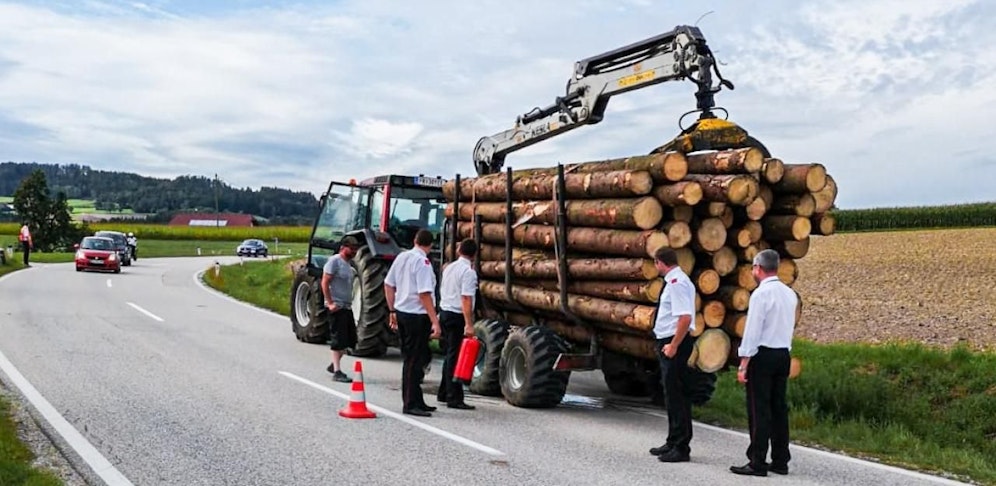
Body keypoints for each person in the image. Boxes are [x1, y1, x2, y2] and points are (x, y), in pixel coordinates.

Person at [730, 249, 798, 477]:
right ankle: (780, 459)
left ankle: (757, 460)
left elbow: (752, 331)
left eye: (753, 268)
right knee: (779, 408)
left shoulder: (760, 295)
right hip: (782, 353)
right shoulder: (789, 294)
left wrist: (743, 362)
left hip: (763, 355)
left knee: (759, 409)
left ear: (758, 268)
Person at [384, 229, 441, 417]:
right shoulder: (423, 263)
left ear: (415, 240)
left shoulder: (401, 257)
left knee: (418, 357)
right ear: (430, 245)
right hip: (417, 315)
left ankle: (417, 399)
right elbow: (424, 294)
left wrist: (392, 309)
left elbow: (388, 284)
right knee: (413, 361)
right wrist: (435, 321)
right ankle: (409, 402)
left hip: (402, 312)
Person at [648, 247, 697, 463]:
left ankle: (681, 447)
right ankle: (673, 439)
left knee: (676, 394)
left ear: (660, 262)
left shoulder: (677, 283)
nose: (655, 267)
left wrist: (674, 345)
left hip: (673, 342)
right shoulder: (674, 280)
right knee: (670, 393)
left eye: (655, 263)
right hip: (668, 340)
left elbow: (685, 318)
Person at [436, 239, 478, 410]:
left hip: (445, 312)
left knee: (449, 354)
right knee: (455, 357)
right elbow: (466, 298)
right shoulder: (468, 272)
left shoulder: (449, 267)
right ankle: (454, 397)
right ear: (475, 254)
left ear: (459, 250)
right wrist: (469, 324)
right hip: (456, 316)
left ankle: (444, 392)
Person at [321, 236, 360, 383]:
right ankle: (337, 371)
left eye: (356, 249)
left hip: (346, 306)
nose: (354, 251)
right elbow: (325, 282)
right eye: (352, 248)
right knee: (338, 339)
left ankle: (333, 364)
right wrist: (330, 303)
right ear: (343, 247)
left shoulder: (348, 265)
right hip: (337, 306)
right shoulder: (334, 261)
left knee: (350, 340)